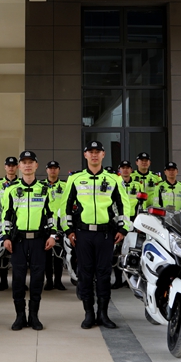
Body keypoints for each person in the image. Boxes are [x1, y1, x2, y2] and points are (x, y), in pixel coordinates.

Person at [61, 141, 130, 329]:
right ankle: (89, 314)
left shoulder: (113, 179)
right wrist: (68, 230)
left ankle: (103, 314)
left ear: (103, 155)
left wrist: (123, 228)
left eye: (97, 152)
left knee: (104, 274)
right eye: (90, 152)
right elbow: (65, 206)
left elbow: (123, 205)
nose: (94, 155)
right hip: (82, 234)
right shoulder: (75, 179)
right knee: (85, 274)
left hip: (105, 234)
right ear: (85, 155)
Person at [2, 151, 57, 330]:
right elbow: (6, 215)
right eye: (24, 162)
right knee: (18, 278)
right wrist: (6, 236)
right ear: (19, 166)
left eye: (30, 162)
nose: (27, 165)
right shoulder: (11, 190)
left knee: (37, 279)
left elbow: (51, 214)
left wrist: (52, 235)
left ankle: (34, 316)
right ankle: (20, 316)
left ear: (36, 165)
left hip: (39, 241)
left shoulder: (45, 189)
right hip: (18, 241)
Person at [0, 156, 19, 291]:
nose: (11, 168)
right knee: (2, 252)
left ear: (17, 167)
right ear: (5, 167)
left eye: (13, 165)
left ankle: (19, 282)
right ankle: (3, 281)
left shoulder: (21, 183)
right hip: (1, 222)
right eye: (9, 165)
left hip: (18, 223)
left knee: (18, 254)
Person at [113, 160, 144, 289]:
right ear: (119, 170)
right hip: (118, 220)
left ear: (131, 170)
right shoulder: (115, 182)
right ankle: (118, 279)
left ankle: (130, 279)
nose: (125, 170)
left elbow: (142, 205)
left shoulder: (138, 185)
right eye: (123, 168)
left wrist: (140, 223)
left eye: (127, 168)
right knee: (117, 251)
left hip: (133, 220)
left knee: (132, 250)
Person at [41, 160, 67, 291]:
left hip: (60, 224)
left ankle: (58, 281)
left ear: (59, 170)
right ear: (46, 170)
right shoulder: (40, 186)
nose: (53, 170)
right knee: (46, 254)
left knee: (59, 253)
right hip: (45, 224)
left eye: (55, 168)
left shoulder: (65, 186)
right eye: (50, 168)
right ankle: (49, 281)